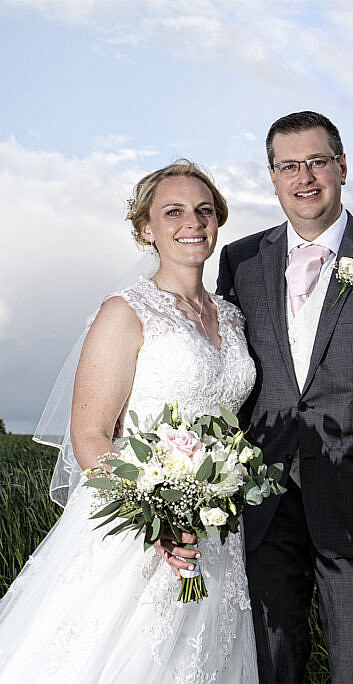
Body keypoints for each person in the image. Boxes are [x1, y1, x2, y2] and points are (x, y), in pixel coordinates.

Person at [0, 161, 259, 681]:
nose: (193, 222)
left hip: (215, 531)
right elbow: (90, 434)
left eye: (205, 211)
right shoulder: (125, 311)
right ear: (146, 229)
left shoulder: (231, 317)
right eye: (174, 212)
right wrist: (156, 518)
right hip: (138, 530)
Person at [213, 111, 353, 683]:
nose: (304, 177)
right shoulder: (239, 261)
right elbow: (224, 378)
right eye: (289, 166)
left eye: (316, 162)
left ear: (342, 167)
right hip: (259, 509)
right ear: (272, 176)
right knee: (268, 667)